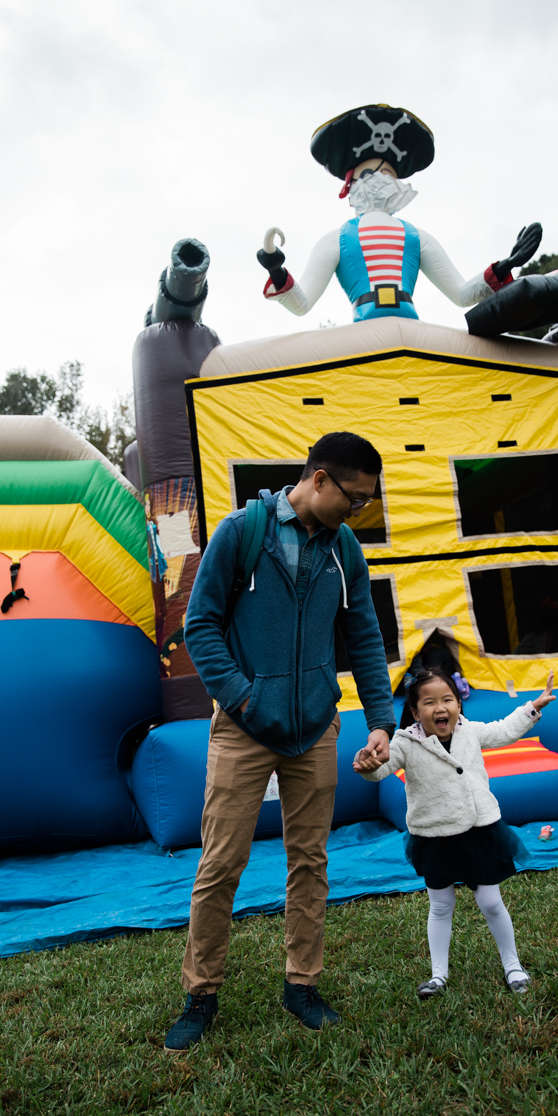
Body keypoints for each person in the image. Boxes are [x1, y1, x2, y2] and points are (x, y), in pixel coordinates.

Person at [163, 432, 397, 1051]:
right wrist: (244, 697)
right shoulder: (241, 534)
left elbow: (365, 636)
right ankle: (201, 993)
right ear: (319, 479)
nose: (360, 511)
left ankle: (303, 985)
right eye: (355, 498)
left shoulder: (345, 548)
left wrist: (380, 720)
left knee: (311, 861)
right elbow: (201, 626)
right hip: (242, 729)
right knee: (220, 864)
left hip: (317, 728)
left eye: (367, 503)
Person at [354, 669, 556, 997]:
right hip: (434, 837)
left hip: (479, 830)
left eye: (448, 699)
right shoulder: (406, 742)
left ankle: (513, 965)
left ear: (458, 705)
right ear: (416, 712)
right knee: (441, 904)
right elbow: (385, 768)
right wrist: (370, 767)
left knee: (491, 901)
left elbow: (504, 730)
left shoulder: (469, 731)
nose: (441, 707)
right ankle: (438, 975)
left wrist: (533, 707)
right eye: (430, 702)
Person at [257, 103, 541, 324]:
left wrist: (506, 265)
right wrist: (276, 269)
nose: (379, 179)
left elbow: (461, 293)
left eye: (387, 173)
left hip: (411, 332)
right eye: (368, 173)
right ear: (350, 184)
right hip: (362, 335)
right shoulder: (338, 239)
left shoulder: (415, 236)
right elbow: (302, 304)